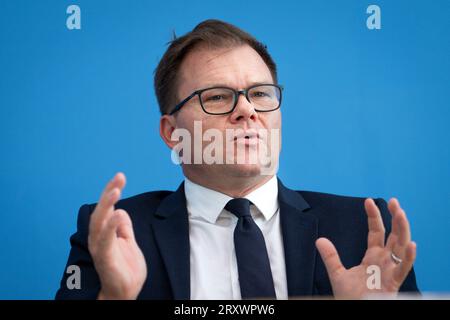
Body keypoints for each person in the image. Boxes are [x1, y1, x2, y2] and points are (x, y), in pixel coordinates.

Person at [56, 19, 419, 300]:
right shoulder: (115, 233)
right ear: (171, 132)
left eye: (260, 93)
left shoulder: (363, 230)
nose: (247, 110)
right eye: (216, 97)